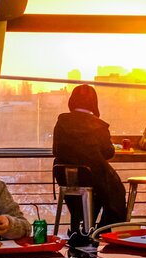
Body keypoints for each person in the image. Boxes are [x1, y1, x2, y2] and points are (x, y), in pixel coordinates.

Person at [52, 84, 127, 228]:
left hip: (67, 179)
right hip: (94, 177)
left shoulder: (61, 122)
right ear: (94, 103)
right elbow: (108, 152)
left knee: (93, 196)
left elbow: (56, 151)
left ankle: (82, 229)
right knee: (115, 193)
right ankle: (102, 231)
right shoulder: (98, 125)